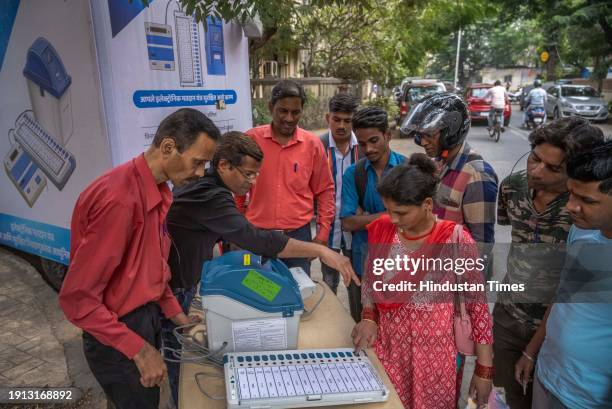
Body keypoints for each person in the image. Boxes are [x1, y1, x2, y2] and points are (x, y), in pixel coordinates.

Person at [162, 132, 360, 407]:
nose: (253, 182)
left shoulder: (205, 187)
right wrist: (320, 250)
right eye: (248, 174)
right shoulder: (211, 196)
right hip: (171, 289)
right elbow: (257, 240)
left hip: (179, 284)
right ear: (223, 166)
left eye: (256, 175)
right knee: (178, 368)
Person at [58, 108, 220, 409]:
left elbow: (151, 272)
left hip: (142, 321)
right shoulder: (120, 201)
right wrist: (140, 351)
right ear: (169, 148)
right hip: (116, 333)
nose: (200, 173)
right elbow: (77, 300)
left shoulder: (158, 192)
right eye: (198, 162)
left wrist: (179, 318)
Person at [352, 153, 494, 409]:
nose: (392, 219)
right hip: (389, 350)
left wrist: (484, 370)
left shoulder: (456, 241)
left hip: (437, 359)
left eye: (401, 212)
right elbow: (370, 282)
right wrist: (368, 317)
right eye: (388, 210)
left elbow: (479, 308)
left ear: (427, 204)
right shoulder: (383, 231)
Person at [494, 118, 603, 409]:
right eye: (534, 158)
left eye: (553, 168)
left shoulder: (591, 214)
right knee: (504, 398)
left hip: (556, 334)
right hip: (508, 316)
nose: (536, 170)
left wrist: (535, 346)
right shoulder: (512, 188)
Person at [527, 139, 612, 408]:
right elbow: (564, 293)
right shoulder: (583, 229)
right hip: (548, 377)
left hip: (588, 400)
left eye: (586, 200)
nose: (570, 206)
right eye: (571, 194)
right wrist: (531, 353)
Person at [235, 80, 335, 276]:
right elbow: (238, 185)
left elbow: (325, 191)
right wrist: (238, 224)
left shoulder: (312, 145)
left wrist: (322, 235)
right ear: (271, 107)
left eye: (295, 112)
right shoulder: (251, 140)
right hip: (257, 236)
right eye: (283, 111)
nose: (289, 118)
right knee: (258, 295)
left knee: (298, 296)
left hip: (298, 238)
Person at [401, 93, 498, 277]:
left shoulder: (477, 175)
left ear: (451, 132)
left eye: (429, 135)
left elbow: (481, 245)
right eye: (420, 135)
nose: (423, 142)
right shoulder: (440, 163)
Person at [340, 107, 406, 322]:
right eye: (362, 143)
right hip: (364, 264)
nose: (368, 149)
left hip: (404, 265)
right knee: (364, 326)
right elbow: (348, 222)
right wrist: (394, 215)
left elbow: (419, 219)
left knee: (399, 328)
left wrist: (366, 217)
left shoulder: (409, 169)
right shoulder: (354, 174)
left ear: (388, 135)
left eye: (374, 140)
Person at [319, 93, 362, 294]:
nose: (342, 126)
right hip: (327, 233)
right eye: (337, 119)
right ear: (328, 118)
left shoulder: (364, 148)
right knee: (328, 288)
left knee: (358, 287)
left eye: (348, 120)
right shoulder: (316, 147)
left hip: (358, 233)